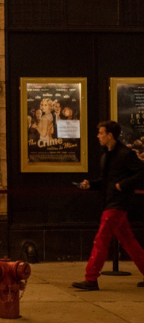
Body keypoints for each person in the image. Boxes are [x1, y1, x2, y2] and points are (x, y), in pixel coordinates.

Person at [72, 120, 144, 290]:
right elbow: (106, 182)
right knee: (128, 241)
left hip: (117, 204)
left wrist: (123, 185)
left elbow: (143, 171)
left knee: (101, 239)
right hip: (110, 202)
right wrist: (90, 184)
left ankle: (91, 278)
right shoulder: (106, 156)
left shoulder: (126, 154)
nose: (98, 136)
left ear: (110, 135)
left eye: (101, 133)